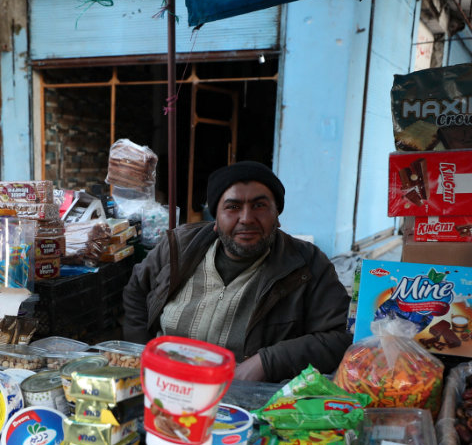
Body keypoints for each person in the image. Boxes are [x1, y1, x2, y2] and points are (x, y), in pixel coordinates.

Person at [122, 161, 352, 382]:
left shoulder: (307, 264)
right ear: (216, 219)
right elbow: (136, 292)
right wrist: (142, 354)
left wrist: (267, 362)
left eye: (259, 206)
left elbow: (338, 336)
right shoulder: (179, 247)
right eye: (232, 207)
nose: (246, 219)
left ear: (277, 216)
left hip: (246, 399)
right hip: (166, 382)